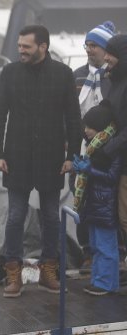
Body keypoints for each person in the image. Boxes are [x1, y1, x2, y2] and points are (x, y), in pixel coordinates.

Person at [0, 25, 81, 297]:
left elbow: (73, 119)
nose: (20, 50)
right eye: (19, 45)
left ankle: (48, 271)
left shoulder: (63, 74)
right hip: (16, 157)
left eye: (26, 46)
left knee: (51, 217)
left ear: (43, 46)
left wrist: (72, 156)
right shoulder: (10, 72)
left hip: (52, 158)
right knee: (16, 216)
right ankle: (13, 274)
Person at [73, 21, 117, 268]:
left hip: (108, 150)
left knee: (105, 201)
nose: (89, 50)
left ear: (106, 50)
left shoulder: (114, 78)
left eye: (94, 46)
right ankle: (87, 251)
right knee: (80, 199)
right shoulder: (76, 75)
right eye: (87, 45)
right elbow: (68, 112)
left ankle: (113, 253)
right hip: (81, 148)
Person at [73, 103, 122, 296]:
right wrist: (82, 169)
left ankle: (107, 284)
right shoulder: (94, 148)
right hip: (95, 203)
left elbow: (111, 177)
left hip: (105, 204)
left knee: (106, 246)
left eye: (89, 127)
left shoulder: (112, 149)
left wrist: (88, 170)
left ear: (100, 126)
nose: (86, 131)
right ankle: (98, 280)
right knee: (96, 245)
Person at [102, 36, 127, 246]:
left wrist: (107, 148)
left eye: (111, 53)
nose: (106, 57)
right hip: (120, 161)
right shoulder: (115, 80)